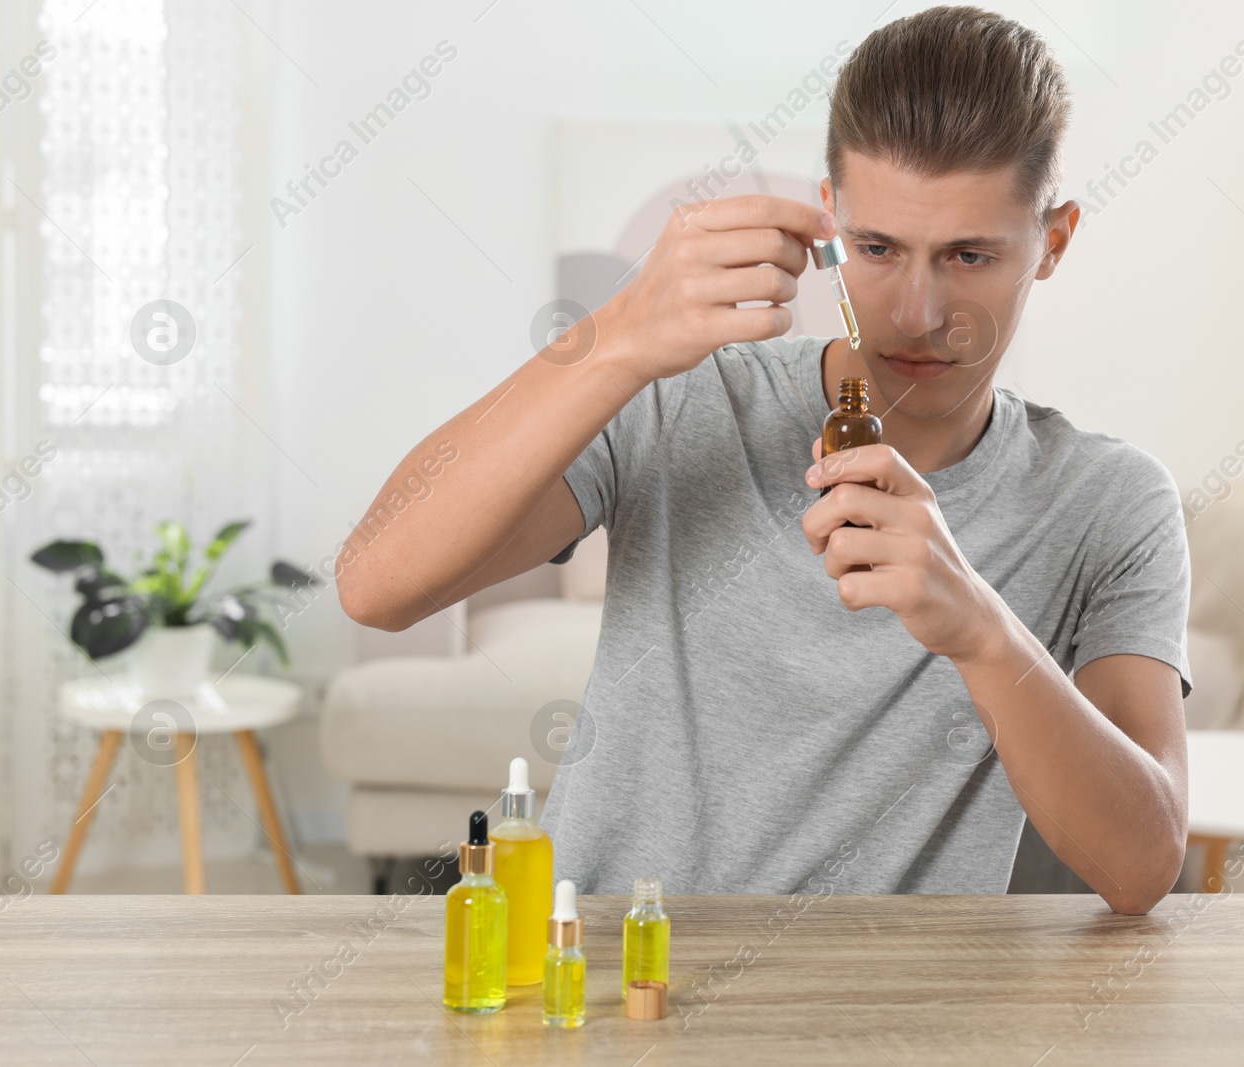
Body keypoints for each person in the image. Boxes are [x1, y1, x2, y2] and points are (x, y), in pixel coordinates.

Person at [339, 4, 1192, 914]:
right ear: (828, 219)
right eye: (876, 248)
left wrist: (979, 627)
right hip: (611, 991)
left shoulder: (1110, 502)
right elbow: (375, 585)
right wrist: (619, 334)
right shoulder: (685, 396)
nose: (915, 309)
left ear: (1052, 243)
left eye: (970, 255)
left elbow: (1142, 866)